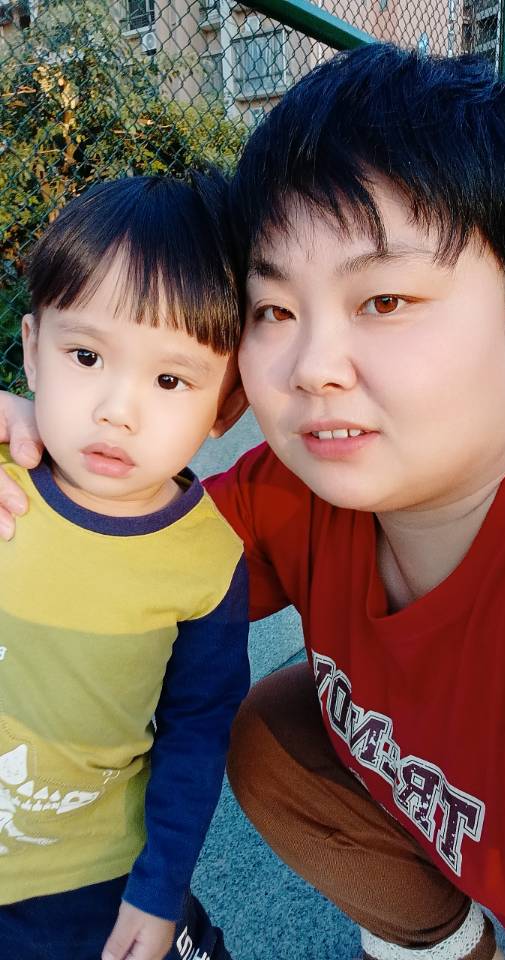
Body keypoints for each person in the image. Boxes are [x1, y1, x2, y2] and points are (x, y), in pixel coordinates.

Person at [1, 42, 505, 960]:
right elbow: (112, 543)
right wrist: (28, 453)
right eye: (275, 311)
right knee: (271, 733)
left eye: (385, 300)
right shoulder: (291, 496)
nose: (313, 368)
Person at [0, 175, 250, 960]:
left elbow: (196, 734)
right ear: (32, 350)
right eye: (85, 355)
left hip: (94, 880)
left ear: (226, 405)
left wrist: (160, 887)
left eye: (170, 380)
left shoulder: (208, 563)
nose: (117, 409)